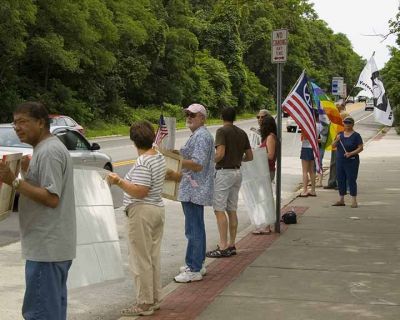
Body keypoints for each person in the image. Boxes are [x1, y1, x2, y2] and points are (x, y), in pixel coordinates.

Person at [0, 101, 76, 320]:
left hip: (47, 248)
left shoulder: (49, 151)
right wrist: (26, 173)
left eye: (22, 122)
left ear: (41, 122)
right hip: (50, 247)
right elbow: (41, 189)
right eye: (14, 123)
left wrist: (13, 181)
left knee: (40, 313)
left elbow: (52, 198)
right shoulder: (44, 149)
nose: (17, 128)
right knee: (51, 310)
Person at [107, 120, 166, 316]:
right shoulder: (158, 156)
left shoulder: (143, 162)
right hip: (157, 208)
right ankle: (155, 297)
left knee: (140, 259)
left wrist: (119, 181)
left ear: (134, 141)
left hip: (141, 211)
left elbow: (140, 191)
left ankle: (144, 303)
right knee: (152, 256)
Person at [167, 103, 214, 283]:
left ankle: (194, 267)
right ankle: (197, 263)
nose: (189, 117)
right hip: (194, 188)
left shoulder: (201, 136)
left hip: (195, 188)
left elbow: (197, 163)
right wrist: (177, 153)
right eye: (187, 114)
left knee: (193, 229)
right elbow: (192, 158)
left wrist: (177, 159)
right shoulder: (199, 135)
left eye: (193, 114)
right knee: (196, 227)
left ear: (202, 117)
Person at [206, 107, 253, 258]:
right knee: (232, 209)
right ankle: (232, 244)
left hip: (224, 172)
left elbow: (220, 154)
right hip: (237, 172)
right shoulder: (242, 133)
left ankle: (223, 245)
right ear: (235, 117)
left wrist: (208, 162)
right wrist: (239, 159)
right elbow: (250, 156)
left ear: (221, 116)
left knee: (219, 208)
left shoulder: (222, 131)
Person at [252, 114, 277, 235]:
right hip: (264, 170)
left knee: (265, 198)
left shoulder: (270, 137)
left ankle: (267, 225)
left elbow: (271, 155)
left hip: (268, 170)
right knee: (263, 197)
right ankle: (265, 224)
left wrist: (258, 154)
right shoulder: (268, 137)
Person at [331, 116, 363, 208]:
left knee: (351, 179)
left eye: (349, 123)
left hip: (352, 161)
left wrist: (351, 153)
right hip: (340, 160)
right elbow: (333, 146)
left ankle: (354, 200)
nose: (347, 125)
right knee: (340, 179)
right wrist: (337, 140)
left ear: (353, 124)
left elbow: (360, 147)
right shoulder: (339, 134)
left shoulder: (356, 135)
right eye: (345, 123)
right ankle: (341, 199)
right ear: (343, 124)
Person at [324, 103, 349, 189]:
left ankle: (338, 182)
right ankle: (333, 182)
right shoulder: (336, 117)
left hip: (340, 143)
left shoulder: (343, 115)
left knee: (338, 164)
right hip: (335, 142)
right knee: (334, 164)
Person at [299, 131, 316, 197]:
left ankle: (305, 190)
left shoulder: (306, 127)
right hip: (312, 148)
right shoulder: (316, 125)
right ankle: (313, 190)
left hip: (306, 147)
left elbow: (305, 138)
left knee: (305, 171)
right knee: (311, 171)